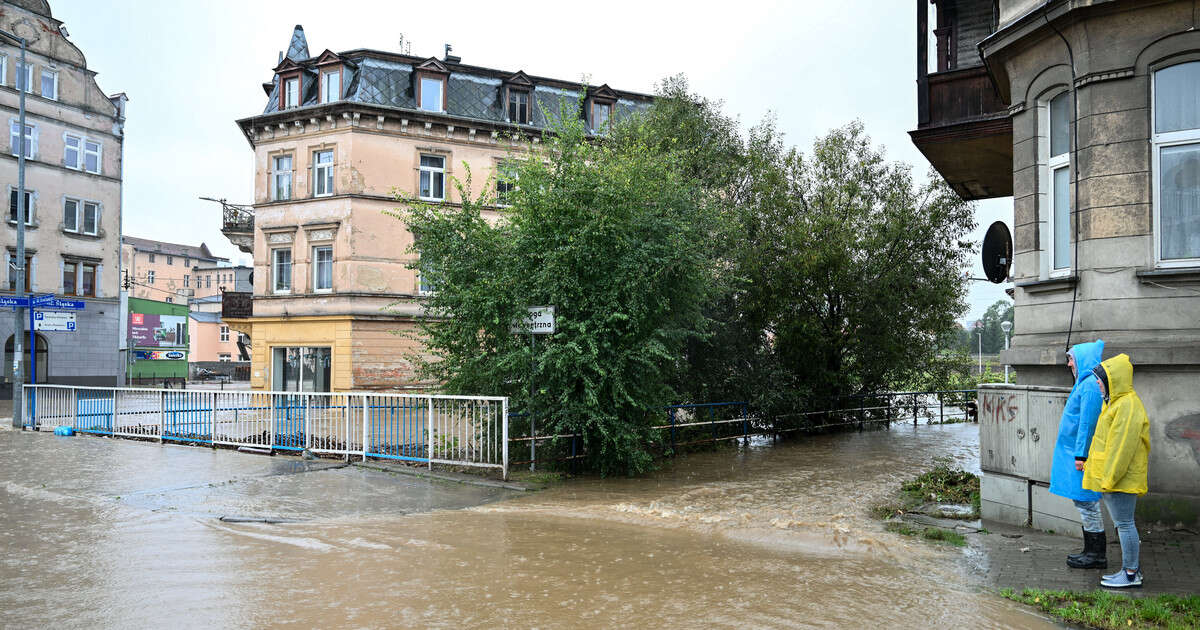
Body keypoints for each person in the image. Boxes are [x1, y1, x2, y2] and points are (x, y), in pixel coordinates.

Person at [1083, 353, 1151, 589]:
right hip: (1114, 479)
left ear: (1113, 379)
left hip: (1118, 479)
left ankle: (1131, 574)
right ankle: (1130, 570)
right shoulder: (1118, 402)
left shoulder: (1126, 406)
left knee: (1125, 524)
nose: (1098, 384)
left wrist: (1108, 480)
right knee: (1123, 524)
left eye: (1101, 380)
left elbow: (1121, 448)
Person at [1048, 340, 1106, 568]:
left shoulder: (1090, 385)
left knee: (1087, 502)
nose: (1069, 364)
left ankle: (1097, 555)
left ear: (1083, 359)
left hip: (1079, 455)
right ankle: (1090, 551)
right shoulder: (1085, 383)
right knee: (1083, 502)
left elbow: (1088, 425)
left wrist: (1081, 455)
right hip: (1074, 453)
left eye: (1071, 358)